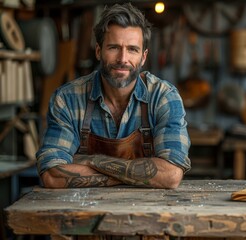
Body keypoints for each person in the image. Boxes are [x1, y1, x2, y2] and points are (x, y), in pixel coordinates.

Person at [36, 3, 191, 189]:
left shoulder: (163, 97)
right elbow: (52, 176)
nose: (122, 59)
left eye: (132, 49)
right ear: (98, 51)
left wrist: (91, 162)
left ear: (143, 57)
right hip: (81, 212)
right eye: (113, 47)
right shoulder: (68, 99)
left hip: (149, 211)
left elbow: (171, 175)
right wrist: (141, 176)